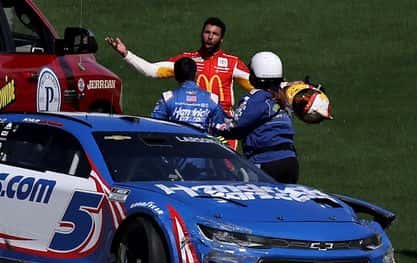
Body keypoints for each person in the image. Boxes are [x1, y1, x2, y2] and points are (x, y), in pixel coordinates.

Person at [105, 17, 252, 149]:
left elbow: (256, 87)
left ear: (221, 39)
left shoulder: (232, 63)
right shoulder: (186, 61)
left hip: (222, 128)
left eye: (215, 34)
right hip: (193, 125)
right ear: (201, 34)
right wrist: (126, 54)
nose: (210, 37)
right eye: (207, 32)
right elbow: (151, 70)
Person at [219, 51, 299, 183]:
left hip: (265, 163)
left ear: (255, 76)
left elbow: (236, 126)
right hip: (290, 162)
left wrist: (215, 127)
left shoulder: (255, 97)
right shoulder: (285, 98)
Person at [151, 57, 226, 134]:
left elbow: (155, 127)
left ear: (175, 76)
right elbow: (220, 130)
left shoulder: (167, 98)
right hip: (203, 145)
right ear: (196, 74)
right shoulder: (213, 99)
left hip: (176, 145)